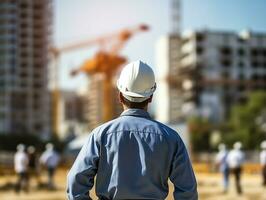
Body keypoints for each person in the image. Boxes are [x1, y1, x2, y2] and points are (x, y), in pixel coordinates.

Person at [67, 60, 198, 200]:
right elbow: (187, 190)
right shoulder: (171, 138)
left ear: (120, 96)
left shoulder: (100, 135)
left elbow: (76, 183)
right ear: (151, 97)